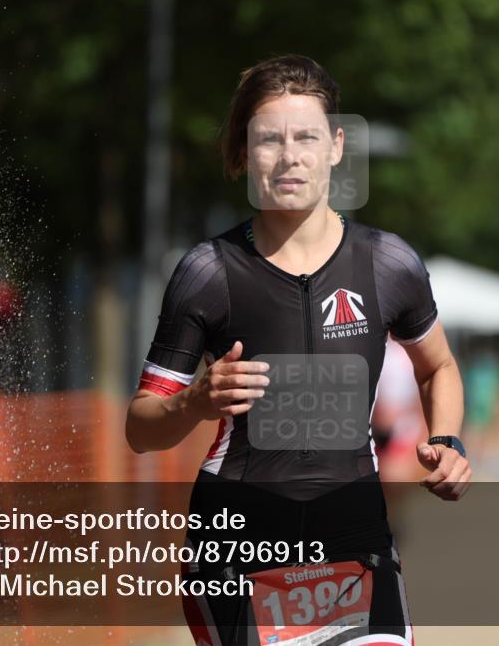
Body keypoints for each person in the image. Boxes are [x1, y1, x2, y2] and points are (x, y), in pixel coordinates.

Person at [125, 55, 469, 646]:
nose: (289, 156)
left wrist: (448, 441)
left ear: (336, 146)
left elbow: (438, 366)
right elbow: (140, 427)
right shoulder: (207, 273)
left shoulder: (388, 264)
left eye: (306, 136)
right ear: (244, 153)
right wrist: (193, 403)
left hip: (353, 533)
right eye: (269, 139)